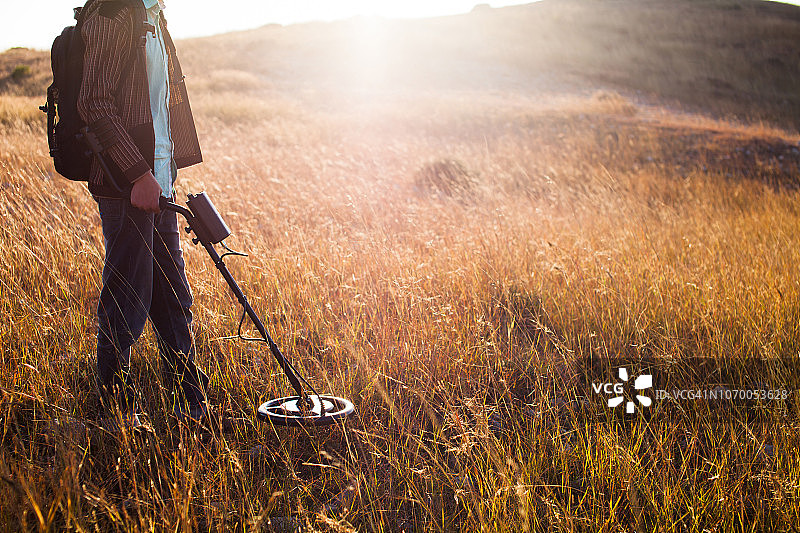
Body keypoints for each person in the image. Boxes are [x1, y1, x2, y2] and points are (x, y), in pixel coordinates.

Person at [77, 0, 208, 429]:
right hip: (127, 184)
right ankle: (117, 413)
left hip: (159, 181)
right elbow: (93, 104)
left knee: (173, 297)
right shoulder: (111, 13)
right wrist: (138, 173)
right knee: (127, 297)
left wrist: (162, 173)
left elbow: (156, 106)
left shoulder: (154, 13)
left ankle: (190, 404)